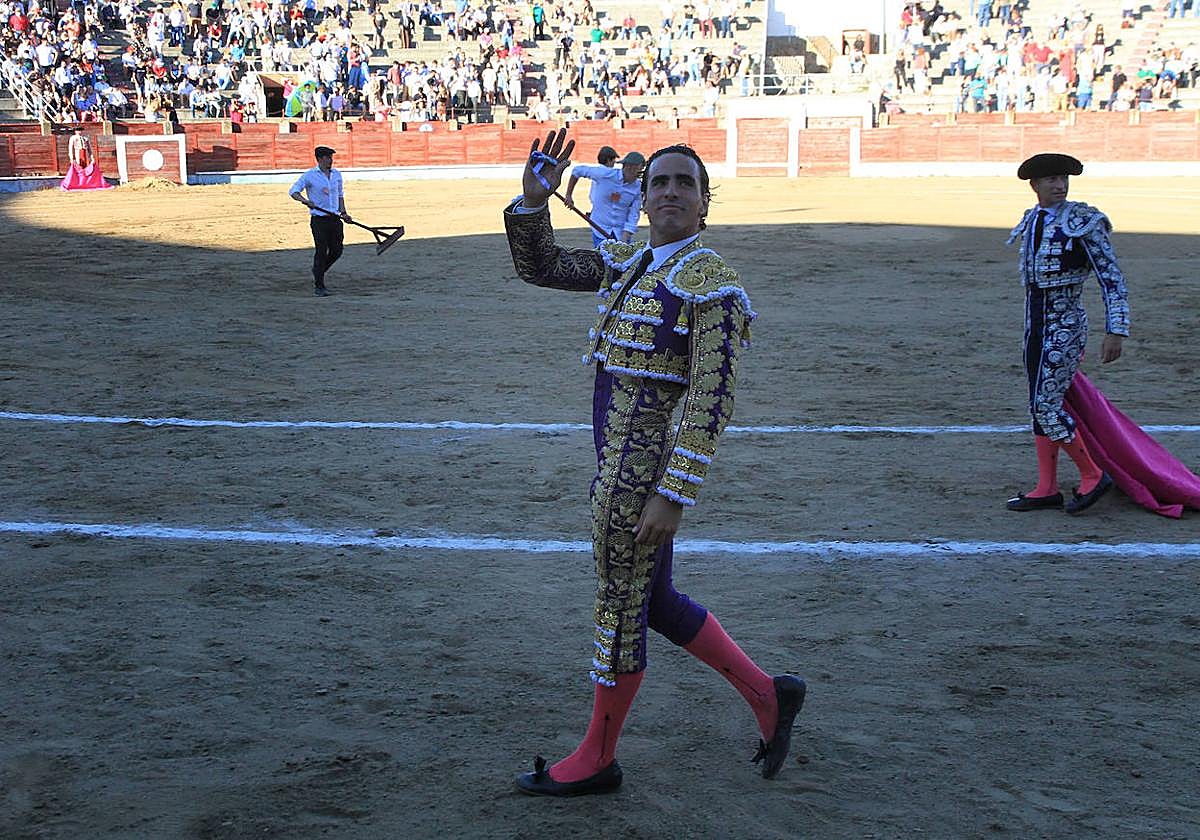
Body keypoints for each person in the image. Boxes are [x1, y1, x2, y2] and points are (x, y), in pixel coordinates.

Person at [504, 129, 806, 797]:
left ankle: (596, 757)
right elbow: (542, 265)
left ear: (704, 205)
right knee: (656, 600)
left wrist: (673, 493)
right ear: (643, 199)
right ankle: (768, 696)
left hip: (637, 474)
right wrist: (533, 201)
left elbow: (711, 397)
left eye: (685, 184)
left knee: (620, 603)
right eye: (660, 182)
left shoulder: (713, 283)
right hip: (614, 459)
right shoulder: (632, 264)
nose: (670, 191)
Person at [1005, 153, 1129, 515]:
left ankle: (1092, 474)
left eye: (1064, 179)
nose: (1060, 186)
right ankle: (1046, 487)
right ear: (1035, 186)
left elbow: (1111, 277)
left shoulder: (1083, 222)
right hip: (1035, 328)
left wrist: (1116, 329)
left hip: (1065, 326)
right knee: (1038, 407)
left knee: (1046, 405)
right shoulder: (1032, 221)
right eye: (1052, 180)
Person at [289, 146, 352, 296]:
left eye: (331, 157)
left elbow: (340, 195)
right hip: (319, 220)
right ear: (319, 159)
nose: (331, 160)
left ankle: (318, 270)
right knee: (321, 251)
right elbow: (293, 191)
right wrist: (305, 201)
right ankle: (319, 285)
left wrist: (344, 212)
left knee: (337, 251)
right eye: (328, 157)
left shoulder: (336, 174)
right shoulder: (310, 175)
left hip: (335, 219)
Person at [562, 148, 644, 246]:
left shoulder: (638, 187)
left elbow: (634, 214)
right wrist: (569, 195)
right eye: (639, 171)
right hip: (600, 228)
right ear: (629, 167)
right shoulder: (605, 174)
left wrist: (626, 235)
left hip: (621, 232)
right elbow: (577, 171)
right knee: (602, 259)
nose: (639, 175)